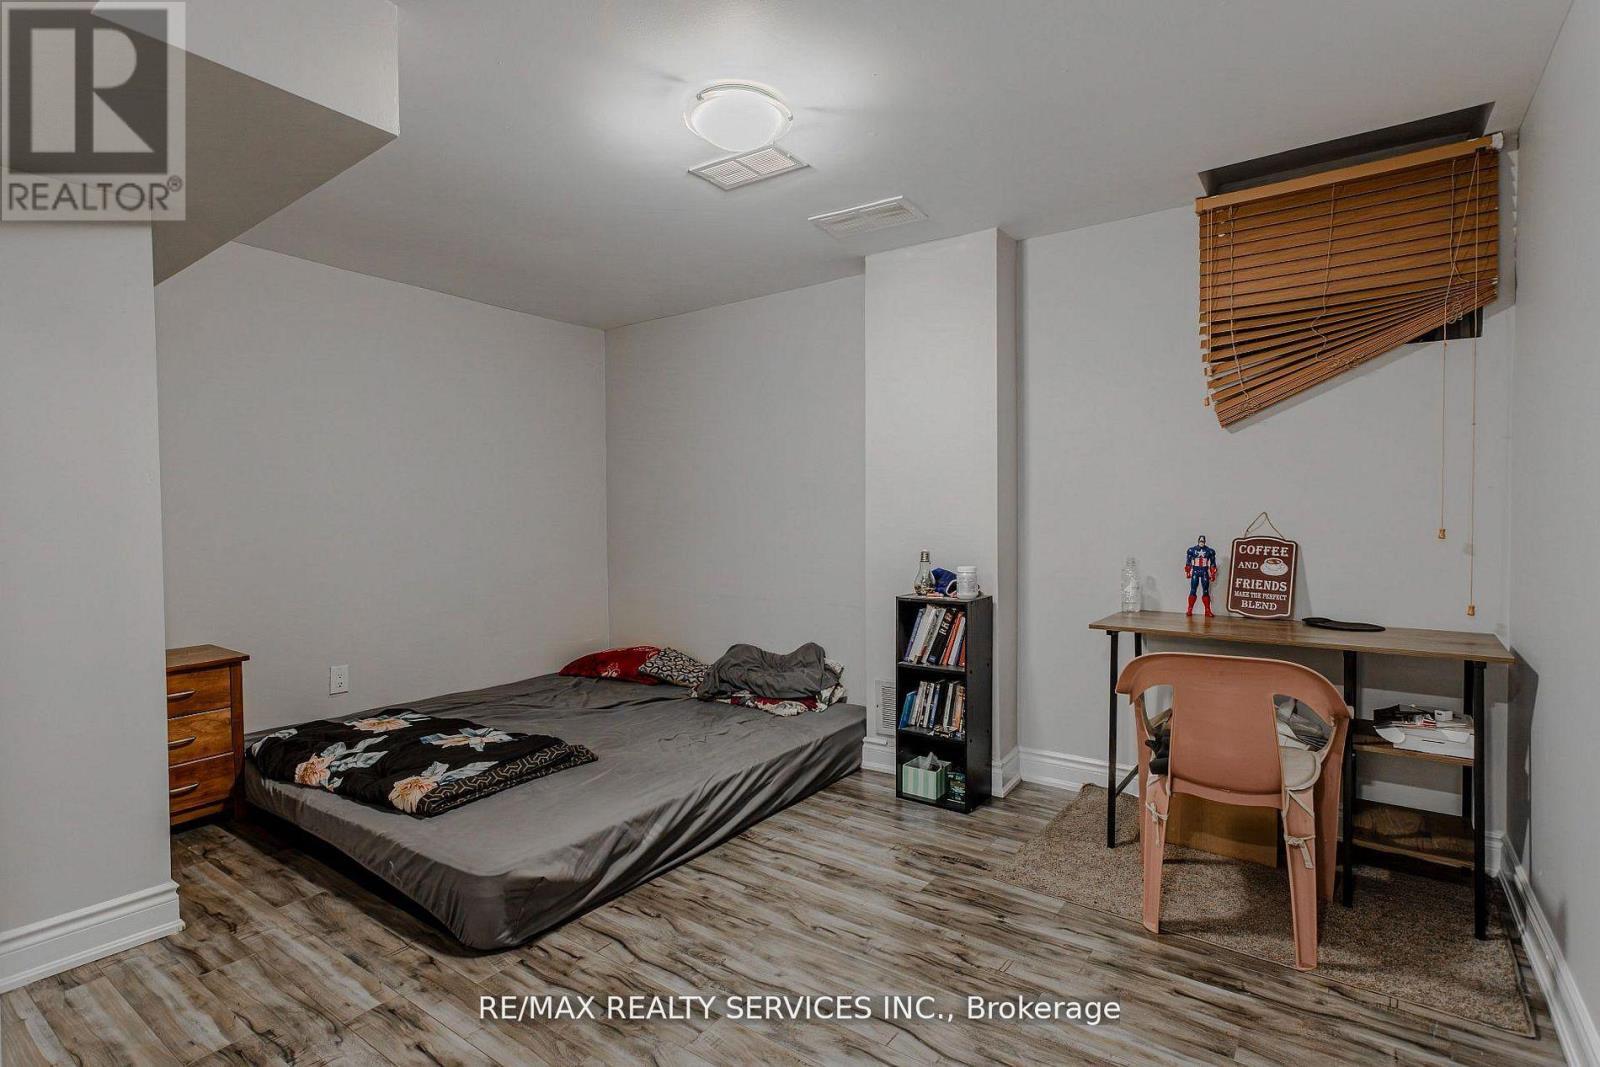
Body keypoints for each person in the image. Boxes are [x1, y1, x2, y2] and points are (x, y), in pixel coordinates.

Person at [1184, 536, 1218, 617]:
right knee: (1193, 590)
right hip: (1195, 571)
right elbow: (1188, 562)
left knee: (1205, 591)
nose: (1201, 542)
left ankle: (1207, 610)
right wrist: (1188, 572)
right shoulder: (1192, 550)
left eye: (1203, 541)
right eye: (1200, 540)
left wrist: (1213, 573)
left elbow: (1213, 563)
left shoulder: (1210, 551)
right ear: (1198, 541)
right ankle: (1190, 609)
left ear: (1205, 541)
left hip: (1204, 572)